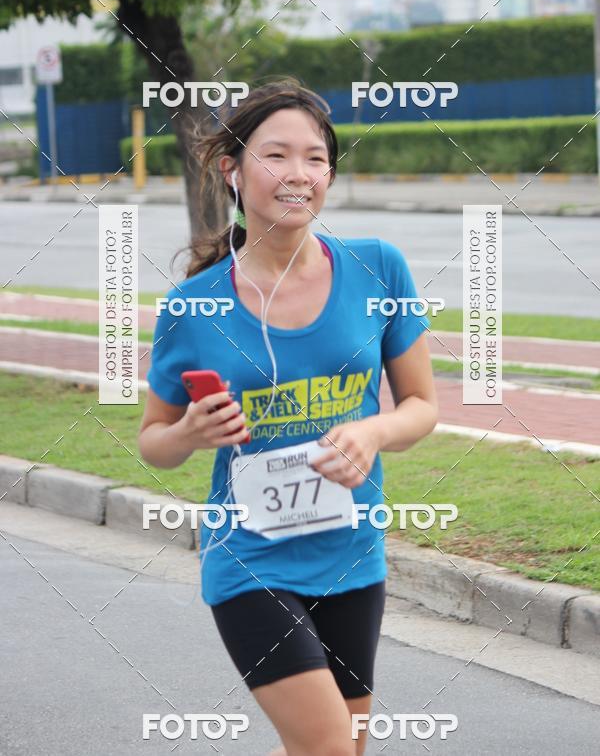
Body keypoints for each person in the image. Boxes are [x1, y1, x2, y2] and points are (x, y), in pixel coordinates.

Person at [138, 78, 438, 756]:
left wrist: (371, 430)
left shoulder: (378, 268)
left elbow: (421, 407)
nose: (298, 175)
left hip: (352, 554)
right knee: (330, 746)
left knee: (337, 751)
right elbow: (154, 443)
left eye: (316, 158)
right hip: (248, 559)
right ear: (233, 170)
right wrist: (189, 432)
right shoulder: (193, 306)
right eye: (276, 156)